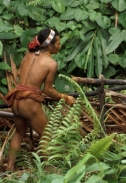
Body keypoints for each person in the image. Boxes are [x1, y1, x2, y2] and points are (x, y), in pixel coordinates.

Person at [4, 28, 75, 171]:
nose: (60, 46)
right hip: (29, 104)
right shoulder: (51, 63)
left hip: (16, 99)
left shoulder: (29, 53)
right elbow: (47, 90)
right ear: (49, 46)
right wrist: (64, 97)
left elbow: (19, 73)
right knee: (47, 135)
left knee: (19, 133)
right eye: (58, 43)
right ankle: (48, 170)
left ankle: (10, 167)